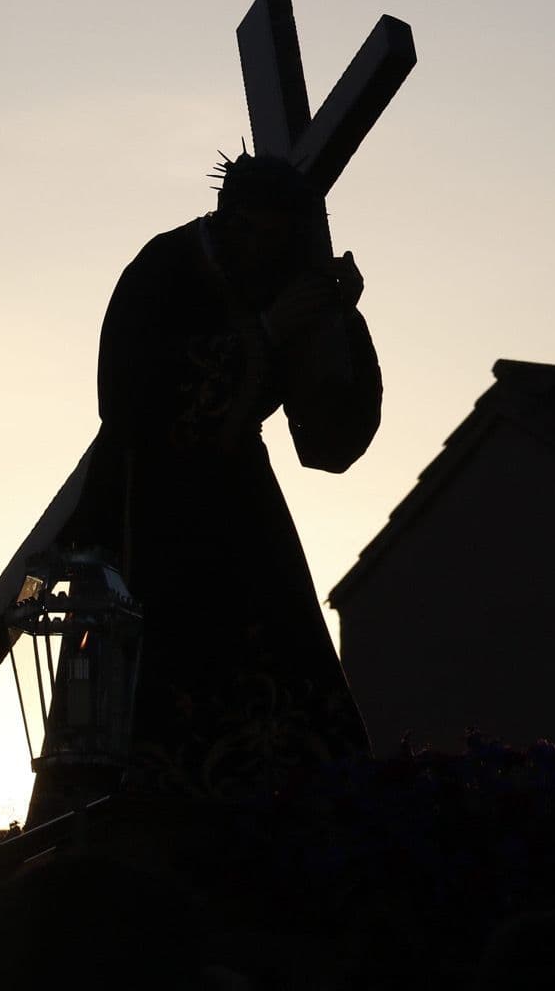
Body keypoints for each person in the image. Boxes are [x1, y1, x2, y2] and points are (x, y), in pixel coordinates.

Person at [42, 152, 378, 811]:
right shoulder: (163, 268)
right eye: (256, 232)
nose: (265, 251)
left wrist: (337, 323)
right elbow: (129, 400)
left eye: (279, 239)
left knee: (284, 686)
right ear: (231, 219)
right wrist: (264, 334)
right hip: (146, 509)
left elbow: (329, 442)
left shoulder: (279, 281)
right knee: (145, 703)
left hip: (241, 507)